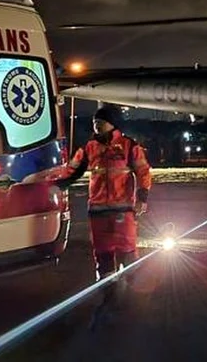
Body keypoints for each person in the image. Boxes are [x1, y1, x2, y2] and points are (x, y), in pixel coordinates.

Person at [61, 104, 153, 285]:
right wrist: (58, 183)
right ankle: (106, 285)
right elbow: (72, 170)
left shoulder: (129, 146)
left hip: (123, 208)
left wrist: (142, 198)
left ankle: (134, 285)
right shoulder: (89, 147)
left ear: (113, 123)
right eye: (95, 122)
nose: (97, 125)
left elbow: (143, 172)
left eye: (101, 122)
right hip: (97, 209)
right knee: (102, 250)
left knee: (126, 248)